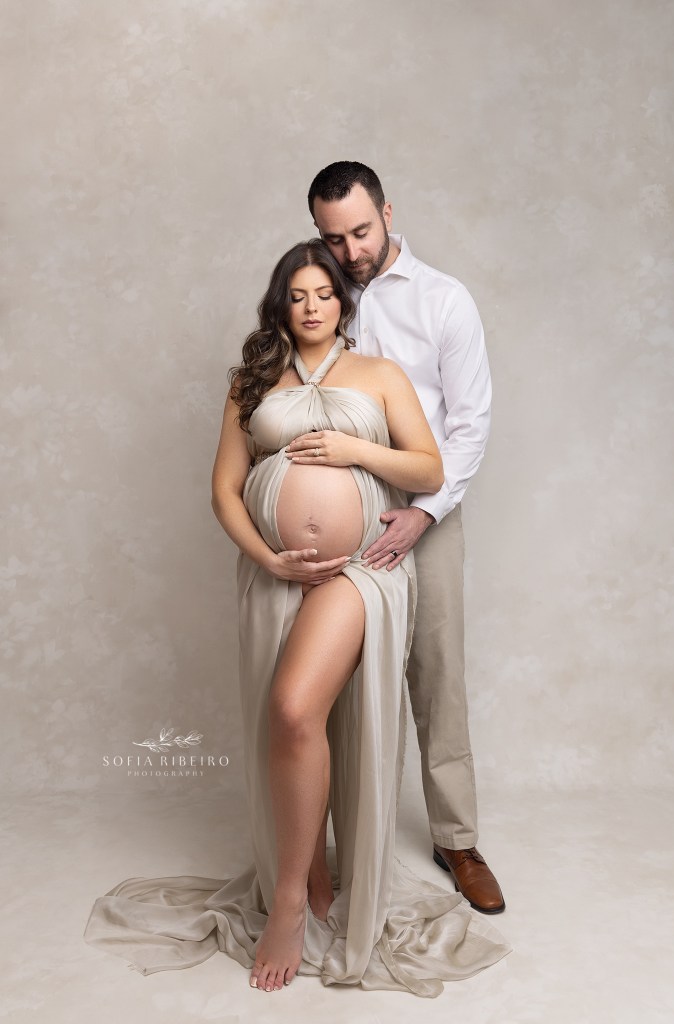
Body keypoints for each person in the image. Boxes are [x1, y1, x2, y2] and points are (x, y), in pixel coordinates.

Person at [82, 240, 510, 997]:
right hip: (276, 577)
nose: (311, 307)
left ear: (344, 302)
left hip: (360, 572)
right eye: (297, 295)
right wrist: (269, 557)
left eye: (324, 293)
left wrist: (352, 448)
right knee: (290, 725)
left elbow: (429, 468)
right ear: (280, 304)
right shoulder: (252, 382)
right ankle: (307, 879)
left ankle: (287, 901)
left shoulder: (379, 375)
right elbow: (223, 489)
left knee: (292, 705)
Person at [307, 161, 505, 914]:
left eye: (360, 230)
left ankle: (456, 839)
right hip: (341, 508)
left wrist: (424, 511)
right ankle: (334, 844)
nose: (350, 249)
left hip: (426, 511)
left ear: (388, 212)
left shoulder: (444, 299)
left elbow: (469, 423)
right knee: (336, 680)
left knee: (435, 672)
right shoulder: (316, 295)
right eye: (333, 236)